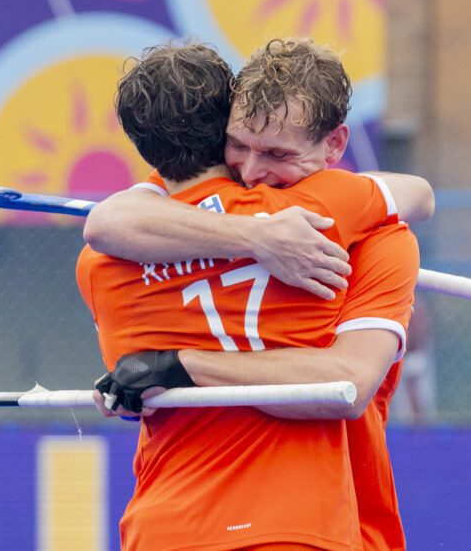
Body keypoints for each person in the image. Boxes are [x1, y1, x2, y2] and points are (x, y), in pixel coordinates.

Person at [86, 39, 429, 549]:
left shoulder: (105, 261)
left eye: (276, 154)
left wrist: (178, 367)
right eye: (238, 145)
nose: (250, 171)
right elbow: (419, 193)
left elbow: (347, 385)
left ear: (335, 144)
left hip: (171, 527)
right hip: (300, 527)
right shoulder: (350, 215)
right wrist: (257, 236)